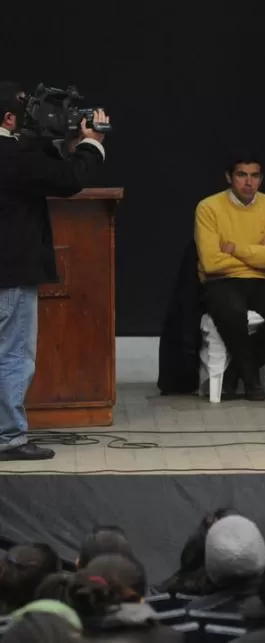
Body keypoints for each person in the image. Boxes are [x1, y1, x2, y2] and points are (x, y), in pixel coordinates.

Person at [0, 82, 108, 461]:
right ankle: (8, 438)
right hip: (9, 274)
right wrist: (91, 142)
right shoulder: (11, 155)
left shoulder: (15, 151)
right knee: (12, 356)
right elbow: (67, 180)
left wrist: (62, 142)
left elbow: (37, 159)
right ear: (9, 118)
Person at [194, 152, 265, 401]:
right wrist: (260, 248)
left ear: (261, 179)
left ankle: (236, 372)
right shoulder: (208, 207)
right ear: (229, 177)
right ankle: (252, 380)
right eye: (242, 175)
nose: (248, 182)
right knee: (231, 310)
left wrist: (237, 248)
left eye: (254, 176)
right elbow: (211, 262)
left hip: (263, 280)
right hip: (221, 280)